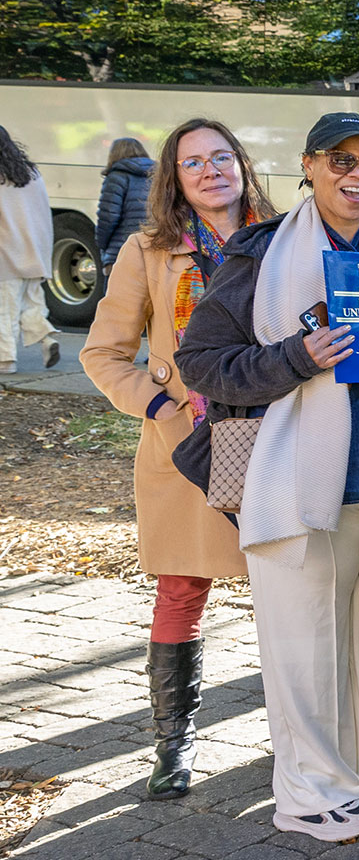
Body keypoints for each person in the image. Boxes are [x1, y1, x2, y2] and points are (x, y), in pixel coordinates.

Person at [174, 112, 359, 841]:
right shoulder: (261, 251)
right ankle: (309, 787)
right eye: (342, 159)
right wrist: (297, 357)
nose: (358, 174)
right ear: (309, 165)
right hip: (298, 484)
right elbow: (202, 361)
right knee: (304, 643)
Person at [82, 117, 273, 799]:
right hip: (189, 445)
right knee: (182, 588)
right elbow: (102, 353)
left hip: (273, 438)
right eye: (193, 162)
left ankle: (296, 729)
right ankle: (174, 742)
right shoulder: (148, 250)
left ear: (243, 165)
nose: (211, 170)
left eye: (222, 156)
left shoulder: (279, 239)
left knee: (283, 588)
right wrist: (161, 407)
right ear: (175, 178)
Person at [0, 125, 58, 373]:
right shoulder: (30, 173)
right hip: (34, 250)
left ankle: (6, 360)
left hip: (6, 251)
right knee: (30, 303)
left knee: (5, 309)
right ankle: (47, 339)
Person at [95, 136, 154, 269]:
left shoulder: (116, 177)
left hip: (121, 250)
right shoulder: (158, 174)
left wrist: (101, 244)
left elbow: (108, 216)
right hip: (153, 248)